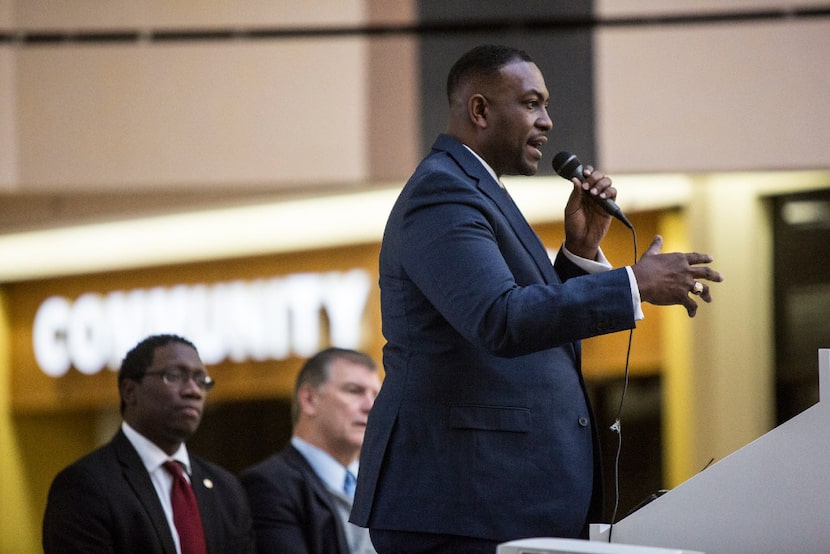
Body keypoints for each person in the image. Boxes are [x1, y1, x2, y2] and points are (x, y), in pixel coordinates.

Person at [349, 44, 723, 552]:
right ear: (479, 110)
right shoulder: (443, 194)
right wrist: (632, 283)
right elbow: (499, 319)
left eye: (545, 105)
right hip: (459, 508)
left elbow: (522, 318)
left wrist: (578, 250)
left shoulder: (478, 189)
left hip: (490, 506)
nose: (546, 121)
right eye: (530, 104)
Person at [43, 333, 255, 553]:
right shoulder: (85, 486)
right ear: (130, 391)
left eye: (201, 380)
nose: (193, 390)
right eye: (174, 376)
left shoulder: (226, 489)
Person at [240, 347, 381, 554]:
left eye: (376, 395)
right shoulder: (267, 486)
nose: (371, 406)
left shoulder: (389, 485)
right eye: (354, 390)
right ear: (309, 400)